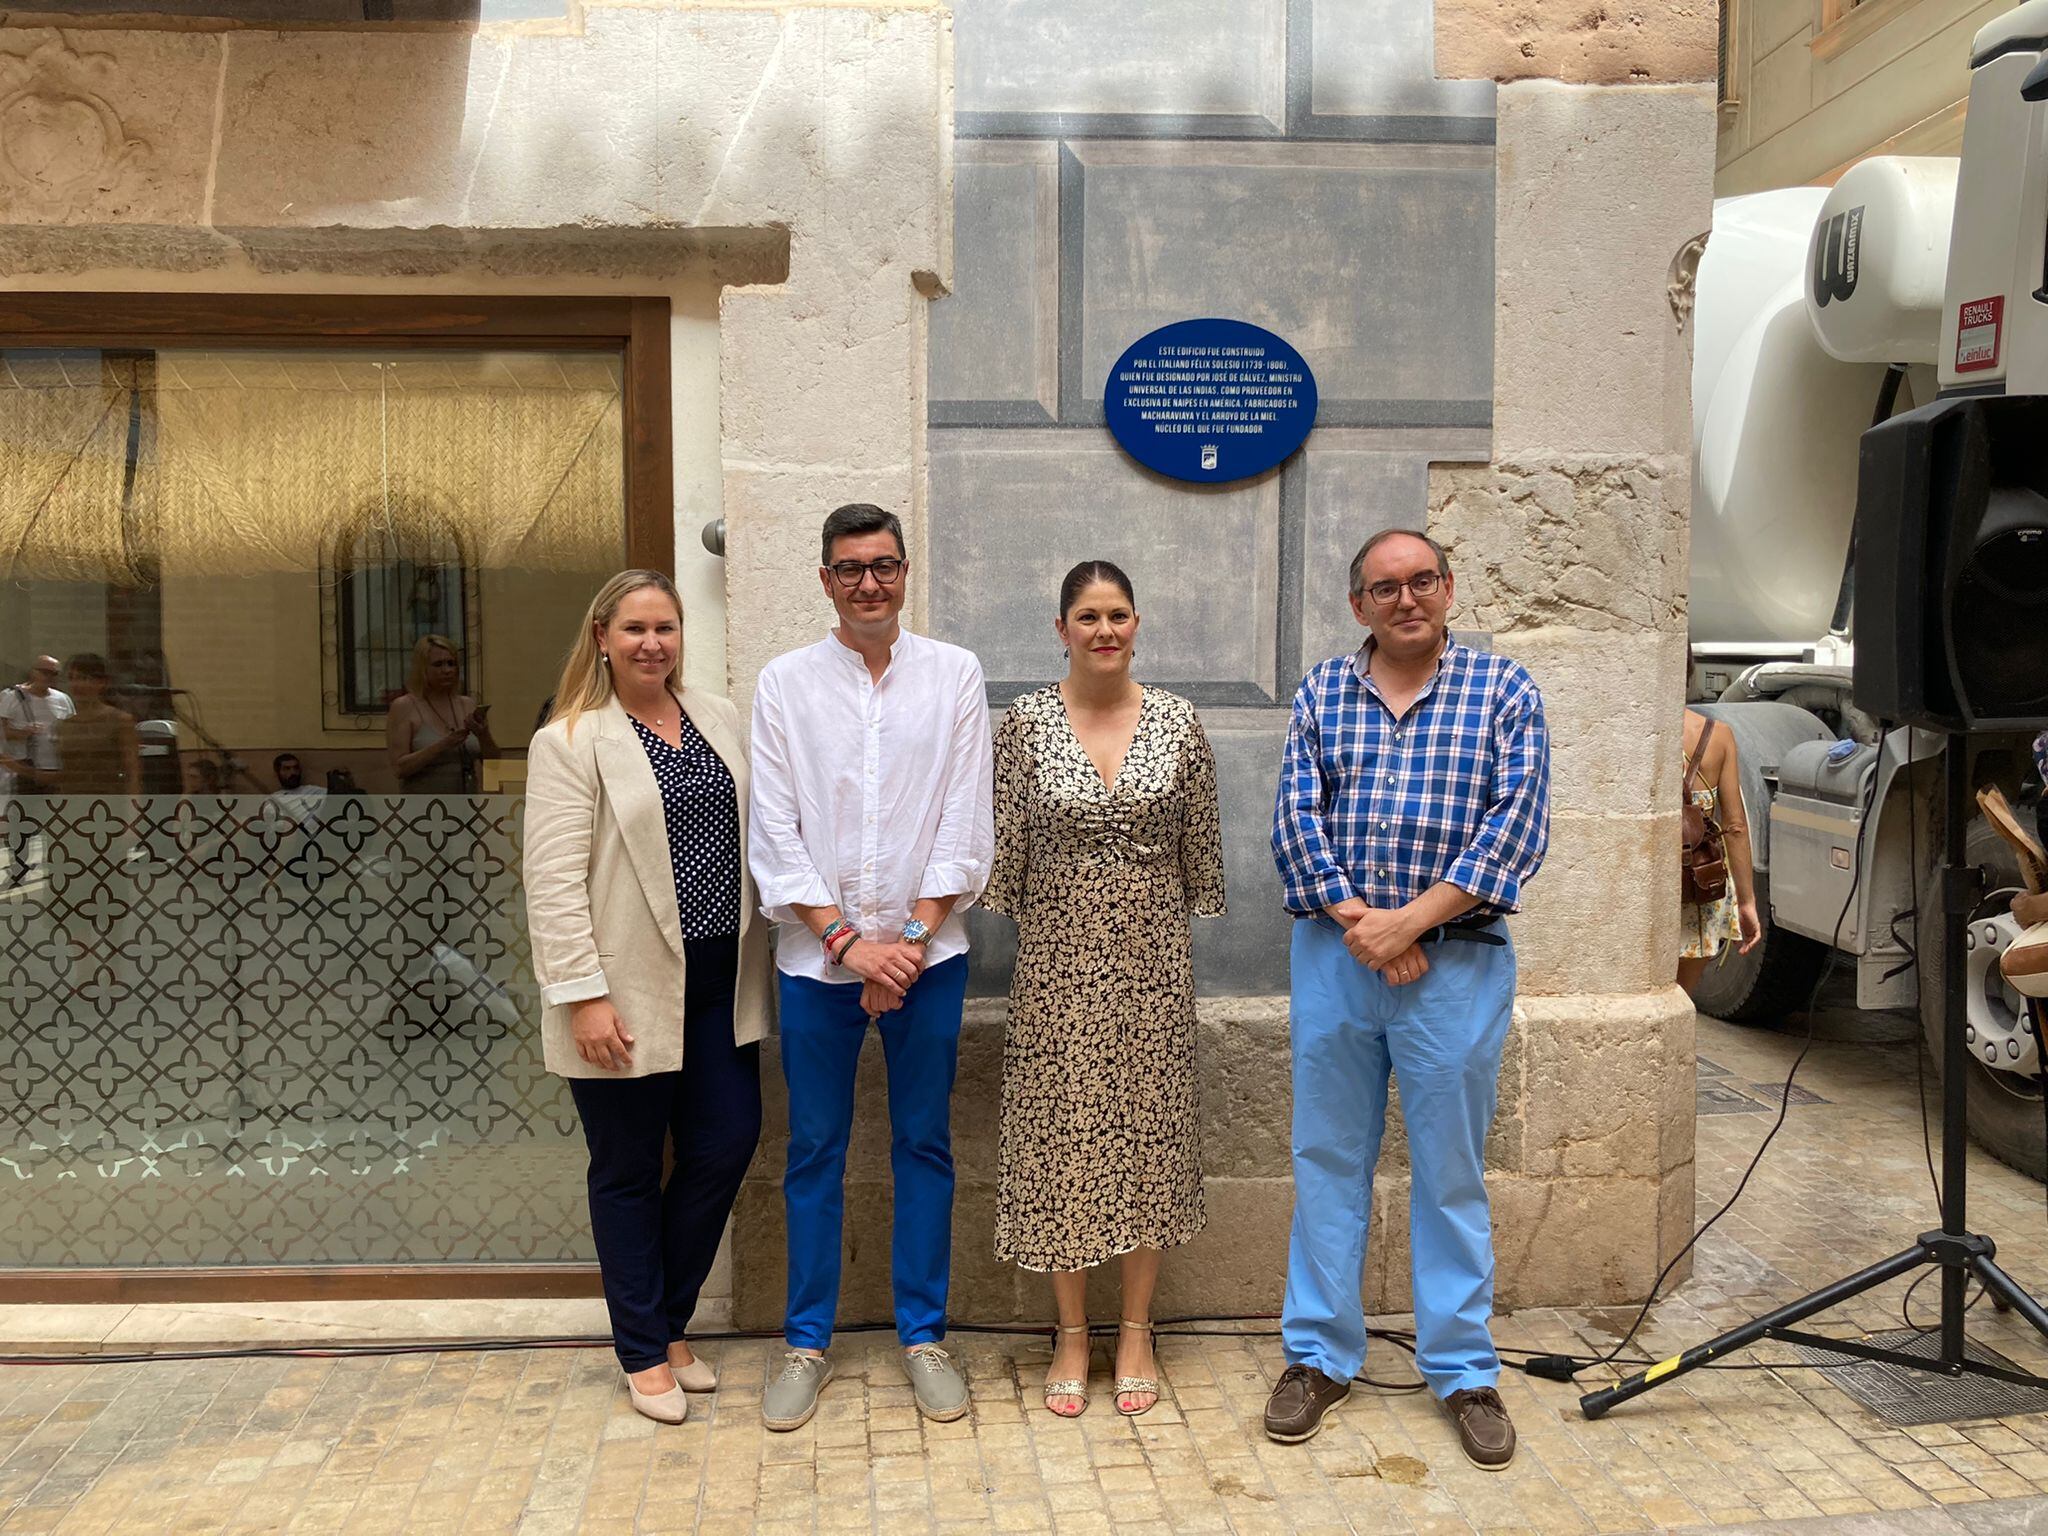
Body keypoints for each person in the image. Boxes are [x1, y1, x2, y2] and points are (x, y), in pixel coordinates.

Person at [1266, 528, 1549, 1467]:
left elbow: (1516, 828)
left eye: (1421, 581)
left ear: (1448, 589)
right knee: (1326, 1160)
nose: (1405, 599)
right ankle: (1317, 1356)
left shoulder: (1504, 692)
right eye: (1384, 588)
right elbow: (1295, 823)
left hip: (1456, 968)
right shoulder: (1320, 692)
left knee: (1452, 1171)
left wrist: (1411, 923)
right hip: (1337, 959)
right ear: (1360, 607)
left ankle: (1464, 1369)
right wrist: (1371, 929)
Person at [747, 502, 995, 1432]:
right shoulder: (785, 683)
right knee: (814, 1149)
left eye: (884, 565)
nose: (869, 583)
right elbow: (773, 829)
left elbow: (967, 820)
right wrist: (852, 944)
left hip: (930, 959)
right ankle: (806, 1343)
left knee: (924, 1145)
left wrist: (912, 940)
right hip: (819, 964)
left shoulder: (955, 675)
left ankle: (923, 1335)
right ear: (824, 579)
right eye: (850, 568)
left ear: (905, 572)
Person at [523, 569, 771, 1426]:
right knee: (627, 1170)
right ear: (601, 636)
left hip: (720, 984)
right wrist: (583, 996)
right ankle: (644, 1348)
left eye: (665, 627)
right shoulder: (569, 740)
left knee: (728, 1141)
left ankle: (663, 1322)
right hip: (622, 990)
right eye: (634, 629)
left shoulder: (717, 717)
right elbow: (551, 882)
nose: (652, 643)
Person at [983, 560, 1225, 1418]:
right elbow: (1003, 855)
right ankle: (1072, 1331)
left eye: (1118, 614)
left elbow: (1203, 853)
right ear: (1061, 629)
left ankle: (1136, 1329)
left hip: (1154, 971)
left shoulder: (1179, 723)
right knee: (1063, 1145)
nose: (1104, 630)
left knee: (1149, 1145)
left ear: (1137, 623)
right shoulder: (1023, 724)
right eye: (1087, 616)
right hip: (1055, 968)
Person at [1677, 707, 1760, 991]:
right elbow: (1735, 826)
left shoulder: (1640, 732)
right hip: (1700, 884)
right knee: (1681, 998)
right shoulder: (1719, 735)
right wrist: (1747, 902)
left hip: (1650, 888)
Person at [386, 635, 496, 793]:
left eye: (451, 663)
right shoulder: (405, 706)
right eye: (438, 664)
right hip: (422, 810)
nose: (447, 670)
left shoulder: (467, 704)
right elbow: (399, 768)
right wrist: (443, 745)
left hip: (465, 808)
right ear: (422, 669)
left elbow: (494, 764)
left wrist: (484, 735)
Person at [0, 655, 72, 888]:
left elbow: (71, 729)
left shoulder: (62, 699)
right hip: (25, 766)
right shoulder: (12, 697)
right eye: (44, 671)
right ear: (33, 672)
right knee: (21, 820)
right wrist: (25, 732)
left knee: (56, 820)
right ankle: (18, 866)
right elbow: (3, 732)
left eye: (53, 673)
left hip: (56, 767)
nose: (48, 677)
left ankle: (55, 865)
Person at [55, 655, 141, 796]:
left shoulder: (120, 720)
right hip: (71, 804)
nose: (76, 684)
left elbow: (132, 772)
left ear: (101, 683)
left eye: (83, 678)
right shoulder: (64, 725)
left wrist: (133, 811)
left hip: (109, 803)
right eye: (72, 678)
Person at [262, 753, 329, 834]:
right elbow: (273, 827)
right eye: (287, 769)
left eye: (296, 768)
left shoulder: (314, 792)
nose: (293, 772)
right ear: (277, 773)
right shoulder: (272, 801)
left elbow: (337, 796)